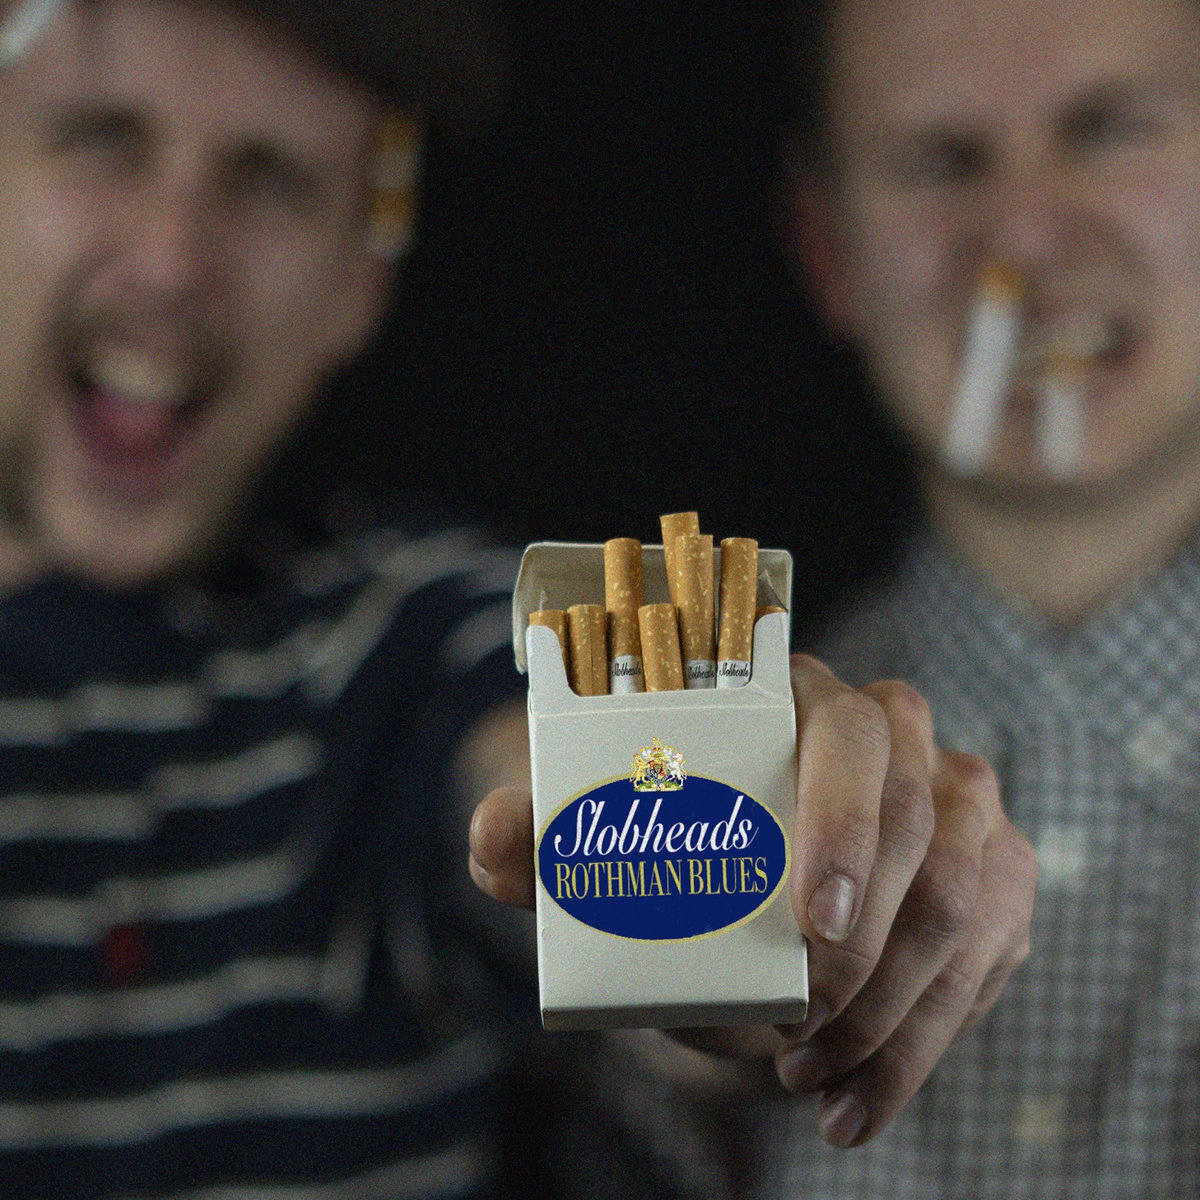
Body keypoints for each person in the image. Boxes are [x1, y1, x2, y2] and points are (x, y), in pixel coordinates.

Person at [0, 0, 1036, 1196]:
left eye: (271, 179)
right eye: (103, 140)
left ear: (359, 281)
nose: (174, 261)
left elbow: (534, 774)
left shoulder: (390, 653)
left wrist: (775, 881)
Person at [750, 0, 1200, 1193]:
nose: (1026, 243)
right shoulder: (723, 782)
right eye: (940, 162)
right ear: (828, 249)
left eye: (1109, 129)